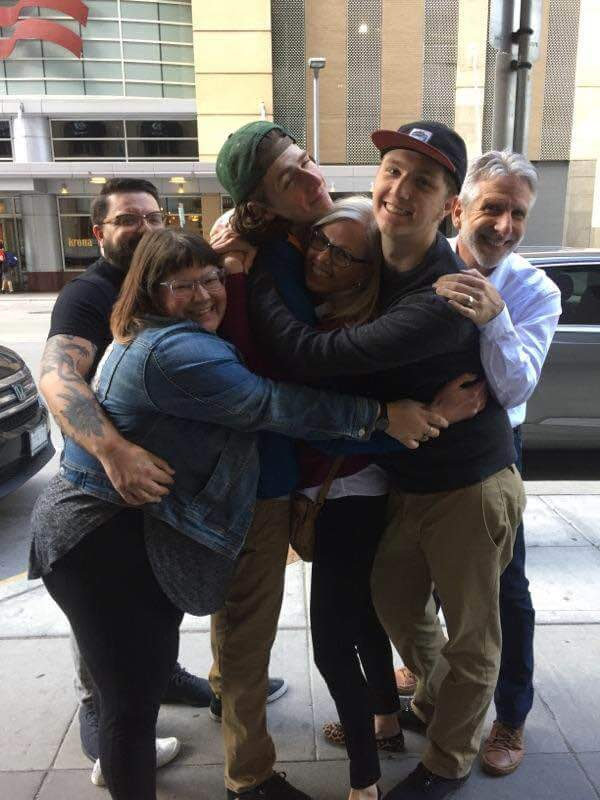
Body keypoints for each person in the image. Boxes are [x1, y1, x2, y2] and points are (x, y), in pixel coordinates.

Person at [31, 227, 428, 800]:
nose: (203, 295)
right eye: (182, 285)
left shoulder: (154, 335)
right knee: (131, 704)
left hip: (121, 538)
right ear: (150, 290)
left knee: (136, 687)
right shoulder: (175, 352)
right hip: (98, 543)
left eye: (211, 279)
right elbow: (271, 403)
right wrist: (382, 416)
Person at [245, 121, 526, 800]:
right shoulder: (378, 261)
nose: (400, 189)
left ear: (449, 207)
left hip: (469, 485)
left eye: (422, 182)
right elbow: (320, 241)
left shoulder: (445, 294)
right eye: (392, 171)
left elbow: (314, 357)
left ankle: (447, 762)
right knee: (396, 604)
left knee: (473, 637)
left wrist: (255, 278)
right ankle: (435, 703)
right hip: (410, 481)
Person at [211, 122, 460, 800]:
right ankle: (367, 728)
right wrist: (240, 269)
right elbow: (260, 377)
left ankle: (371, 767)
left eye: (306, 161)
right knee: (317, 622)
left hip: (340, 487)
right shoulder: (275, 257)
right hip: (280, 479)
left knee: (334, 635)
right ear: (264, 205)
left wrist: (396, 424)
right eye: (287, 178)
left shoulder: (365, 311)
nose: (311, 179)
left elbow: (303, 373)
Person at [289, 197, 486, 800]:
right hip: (339, 489)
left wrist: (431, 417)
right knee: (365, 616)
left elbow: (342, 430)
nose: (324, 257)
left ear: (366, 271)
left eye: (344, 253)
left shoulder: (362, 335)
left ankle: (364, 780)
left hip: (352, 493)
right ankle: (385, 722)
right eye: (319, 241)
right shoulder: (318, 313)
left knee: (330, 644)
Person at [38, 179, 216, 766]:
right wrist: (112, 451)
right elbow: (58, 376)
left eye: (153, 216)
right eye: (127, 219)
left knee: (152, 602)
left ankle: (163, 676)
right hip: (99, 494)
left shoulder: (165, 281)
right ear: (99, 233)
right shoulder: (88, 293)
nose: (144, 227)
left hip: (156, 495)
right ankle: (100, 715)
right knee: (104, 629)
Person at [408, 150, 560, 777]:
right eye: (492, 208)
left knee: (505, 588)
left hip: (494, 450)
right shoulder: (422, 265)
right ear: (458, 209)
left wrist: (494, 318)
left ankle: (511, 712)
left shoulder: (534, 290)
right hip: (418, 435)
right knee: (419, 574)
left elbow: (515, 387)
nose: (504, 225)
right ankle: (434, 673)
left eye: (518, 213)